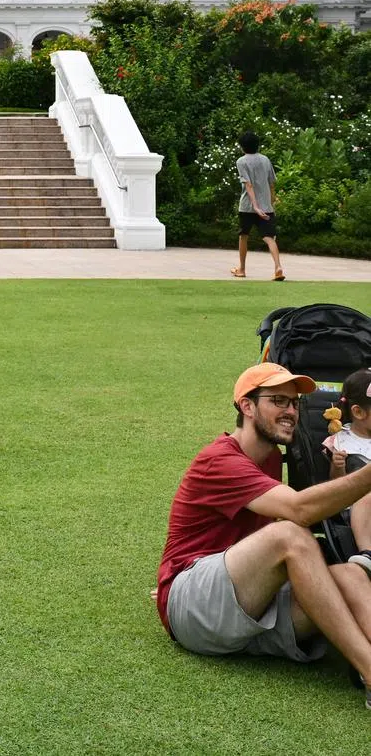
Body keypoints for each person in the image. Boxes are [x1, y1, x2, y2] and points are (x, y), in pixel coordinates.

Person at [157, 361, 371, 702]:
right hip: (194, 606)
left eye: (294, 403)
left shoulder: (270, 457)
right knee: (289, 534)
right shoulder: (220, 460)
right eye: (279, 401)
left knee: (352, 575)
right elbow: (299, 511)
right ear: (247, 405)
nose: (291, 411)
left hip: (244, 603)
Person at [323, 369, 371, 574]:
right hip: (357, 503)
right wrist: (338, 465)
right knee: (365, 496)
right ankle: (367, 552)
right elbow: (337, 486)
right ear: (359, 412)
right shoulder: (341, 441)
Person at [231, 131, 284, 281]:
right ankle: (278, 267)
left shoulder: (241, 161)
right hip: (266, 206)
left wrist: (255, 206)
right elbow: (272, 182)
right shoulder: (265, 160)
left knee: (243, 236)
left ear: (242, 147)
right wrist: (271, 201)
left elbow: (248, 184)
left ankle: (241, 269)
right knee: (269, 237)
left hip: (247, 206)